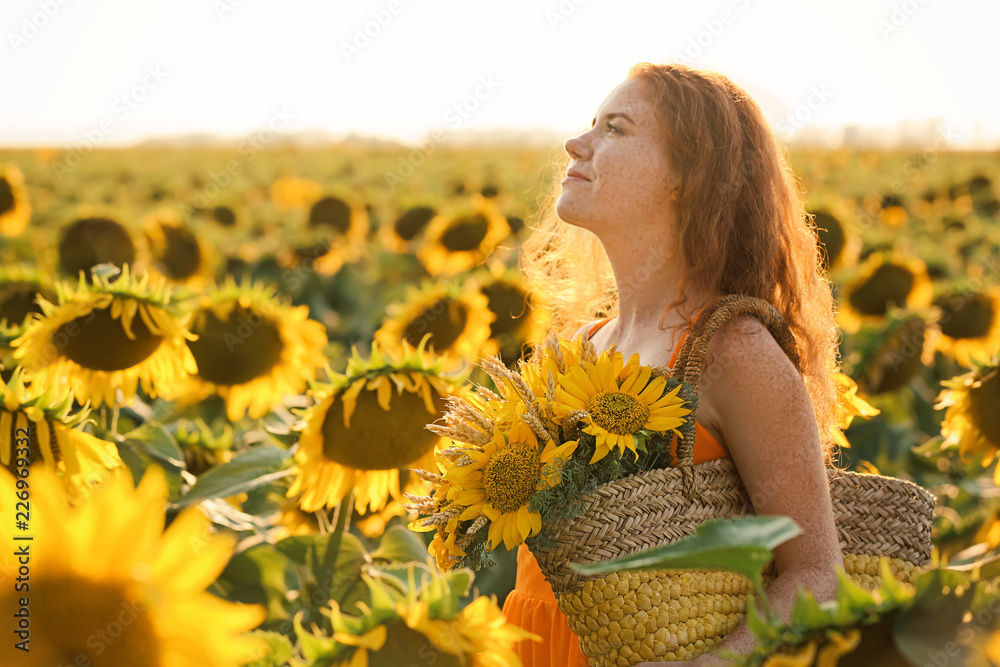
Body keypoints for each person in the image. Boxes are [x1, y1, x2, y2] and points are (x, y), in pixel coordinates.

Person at [501, 62, 845, 666]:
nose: (576, 144)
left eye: (616, 129)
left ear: (687, 178)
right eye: (591, 123)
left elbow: (814, 573)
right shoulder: (576, 347)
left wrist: (713, 665)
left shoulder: (729, 351)